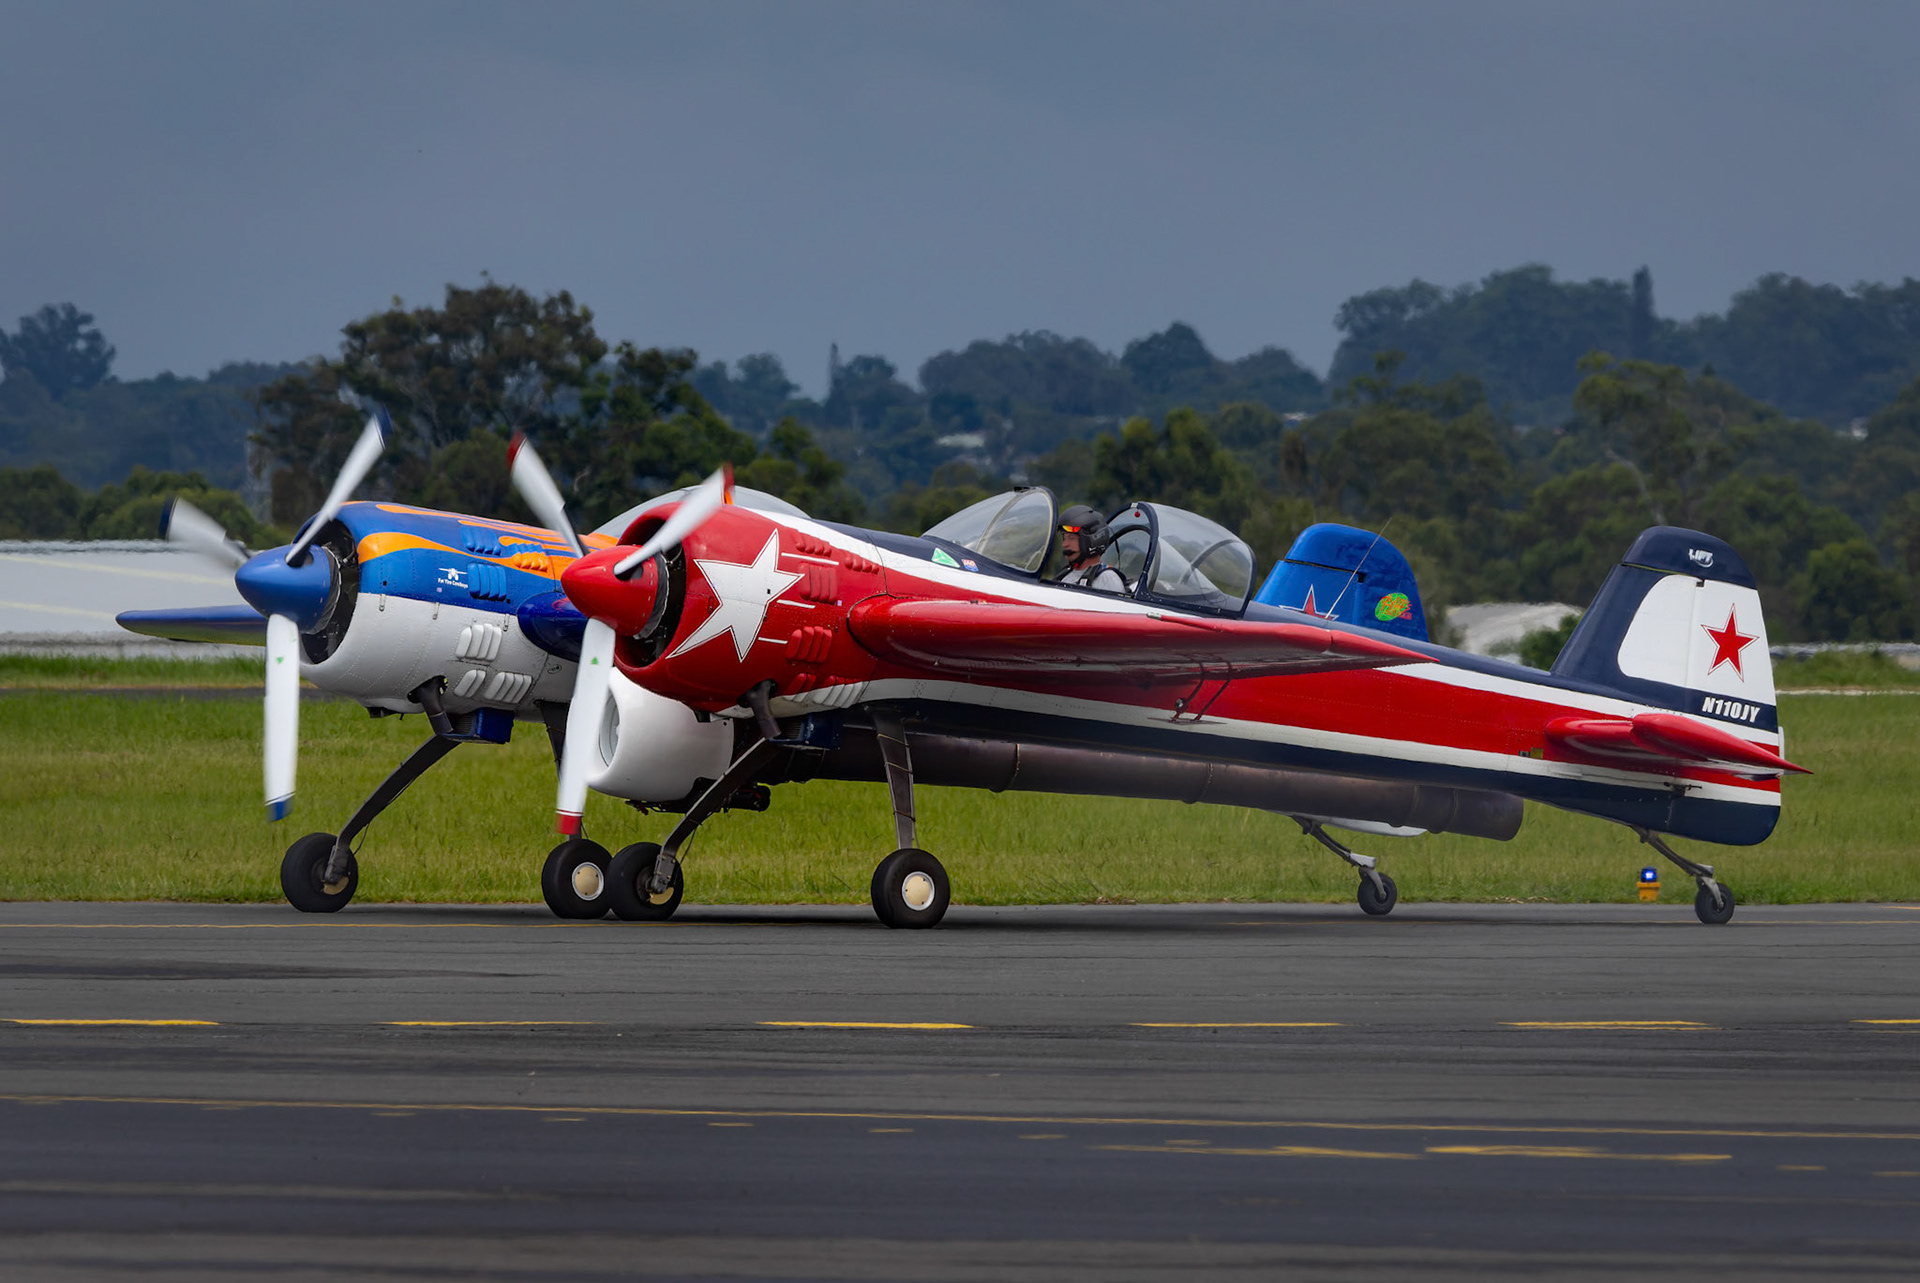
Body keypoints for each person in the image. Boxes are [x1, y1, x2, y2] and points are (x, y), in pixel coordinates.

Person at [1055, 505, 1128, 593]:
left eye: (1071, 538)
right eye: (1064, 538)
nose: (1065, 544)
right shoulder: (1064, 576)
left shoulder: (1107, 579)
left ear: (1092, 540)